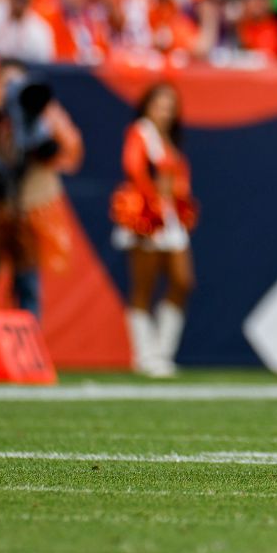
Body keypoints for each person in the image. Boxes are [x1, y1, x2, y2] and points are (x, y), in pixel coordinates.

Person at [0, 61, 83, 379]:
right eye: (6, 83)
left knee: (28, 285)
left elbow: (68, 149)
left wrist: (39, 134)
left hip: (29, 211)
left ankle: (29, 356)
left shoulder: (45, 113)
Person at [111, 82, 197, 378]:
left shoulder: (168, 138)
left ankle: (162, 352)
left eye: (171, 107)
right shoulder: (141, 132)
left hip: (171, 217)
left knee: (182, 281)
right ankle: (144, 355)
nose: (166, 112)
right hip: (146, 215)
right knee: (143, 286)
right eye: (160, 105)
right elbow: (133, 168)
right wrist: (152, 201)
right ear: (147, 106)